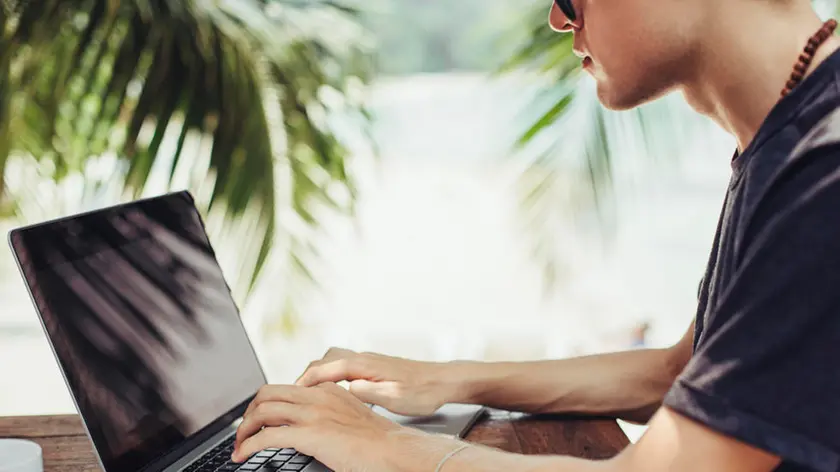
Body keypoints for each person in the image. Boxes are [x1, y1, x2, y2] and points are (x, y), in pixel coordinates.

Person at [231, 0, 840, 470]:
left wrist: (381, 446)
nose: (557, 18)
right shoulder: (787, 140)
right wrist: (449, 379)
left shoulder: (825, 168)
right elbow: (681, 373)